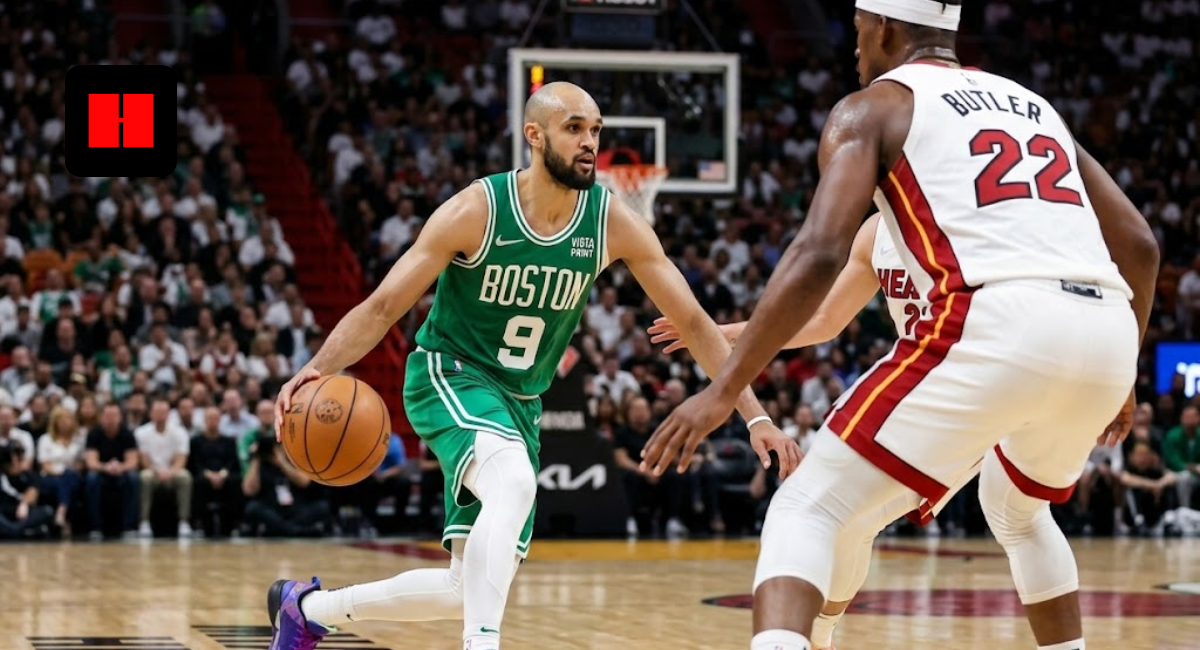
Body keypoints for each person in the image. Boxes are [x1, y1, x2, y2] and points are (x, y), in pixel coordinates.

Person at [639, 2, 1160, 650]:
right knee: (1014, 512)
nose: (856, 53)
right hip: (1103, 330)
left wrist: (722, 393)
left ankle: (801, 636)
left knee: (810, 504)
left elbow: (814, 253)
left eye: (857, 34)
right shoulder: (1032, 105)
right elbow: (1138, 245)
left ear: (881, 28)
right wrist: (1124, 378)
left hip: (990, 336)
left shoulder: (877, 106)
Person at [265, 81, 801, 650]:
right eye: (575, 128)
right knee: (514, 480)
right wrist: (318, 366)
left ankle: (308, 610)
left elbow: (695, 323)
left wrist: (755, 416)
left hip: (520, 402)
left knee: (463, 588)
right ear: (534, 134)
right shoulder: (478, 209)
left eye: (596, 130)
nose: (590, 141)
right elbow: (382, 307)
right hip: (450, 374)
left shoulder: (609, 222)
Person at [648, 212, 976, 650]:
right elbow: (824, 320)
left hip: (976, 390)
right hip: (916, 392)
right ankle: (821, 637)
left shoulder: (972, 215)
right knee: (850, 522)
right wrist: (724, 334)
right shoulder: (875, 232)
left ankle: (805, 639)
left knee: (809, 506)